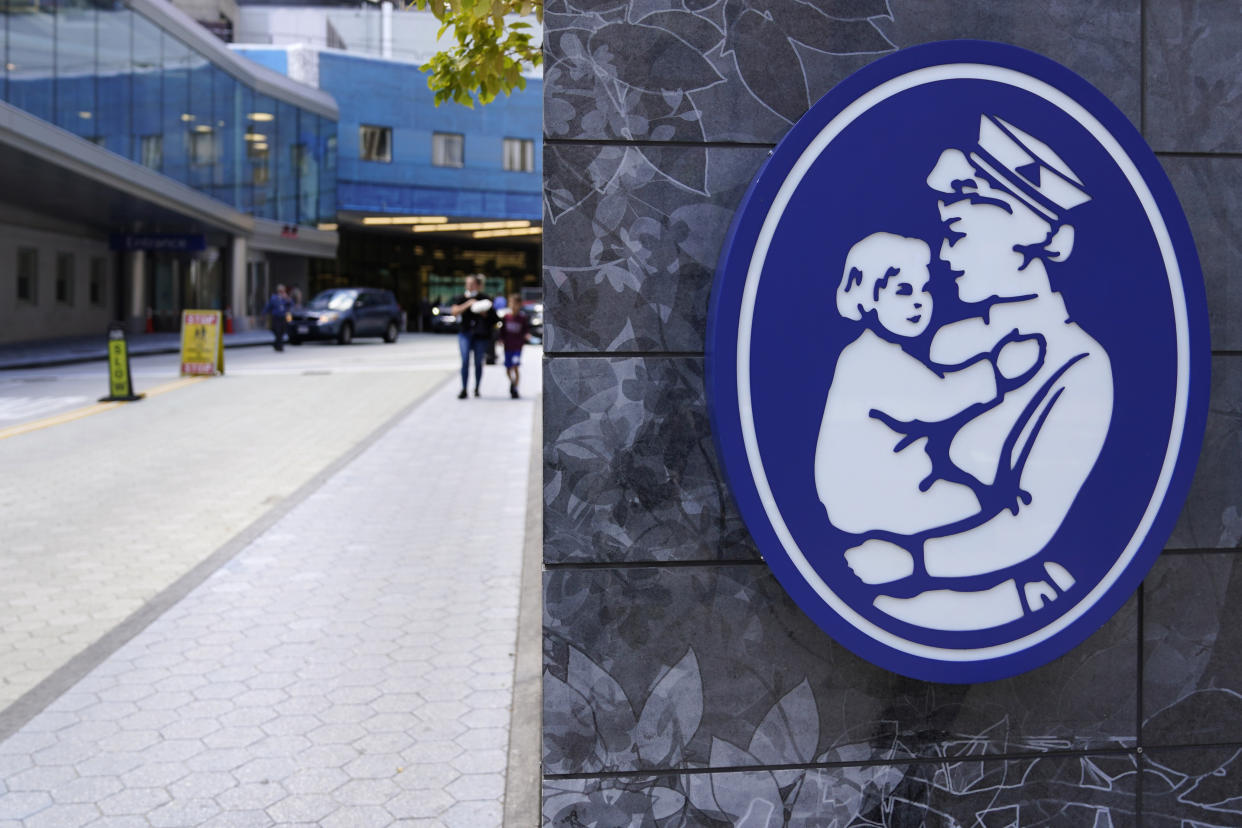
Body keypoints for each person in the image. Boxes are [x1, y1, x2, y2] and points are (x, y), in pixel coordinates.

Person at [814, 232, 1042, 581]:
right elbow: (938, 400)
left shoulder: (881, 354)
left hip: (884, 487)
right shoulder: (870, 360)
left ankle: (894, 552)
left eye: (925, 290)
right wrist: (997, 371)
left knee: (966, 499)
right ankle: (895, 556)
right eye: (904, 292)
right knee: (970, 505)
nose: (920, 303)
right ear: (867, 296)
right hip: (869, 495)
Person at [450, 274, 499, 398]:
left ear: (477, 285)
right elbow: (454, 311)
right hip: (465, 333)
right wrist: (469, 304)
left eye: (472, 283)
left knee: (478, 362)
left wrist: (484, 314)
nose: (469, 286)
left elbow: (495, 318)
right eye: (467, 283)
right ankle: (464, 389)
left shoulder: (485, 299)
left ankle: (477, 388)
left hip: (480, 335)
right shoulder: (461, 298)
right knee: (465, 360)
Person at [499, 293, 532, 398]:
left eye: (515, 304)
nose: (513, 306)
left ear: (519, 305)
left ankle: (515, 389)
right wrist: (500, 339)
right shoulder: (506, 317)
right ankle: (512, 382)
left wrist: (527, 336)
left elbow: (526, 330)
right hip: (508, 347)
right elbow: (502, 331)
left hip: (517, 347)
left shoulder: (522, 318)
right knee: (508, 369)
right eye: (511, 303)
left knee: (516, 367)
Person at [262, 284, 292, 351]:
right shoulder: (274, 298)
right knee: (277, 331)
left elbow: (291, 304)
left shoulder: (285, 298)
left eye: (283, 291)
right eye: (280, 291)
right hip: (276, 317)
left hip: (283, 317)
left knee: (282, 331)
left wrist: (287, 298)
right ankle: (280, 346)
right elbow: (269, 306)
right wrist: (264, 313)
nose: (282, 292)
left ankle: (276, 344)